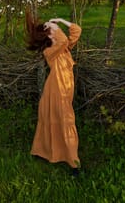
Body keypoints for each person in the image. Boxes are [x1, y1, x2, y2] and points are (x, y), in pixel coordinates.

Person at [25, 10, 82, 174]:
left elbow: (77, 31)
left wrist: (60, 20)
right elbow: (63, 39)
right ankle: (73, 162)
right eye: (52, 27)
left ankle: (48, 152)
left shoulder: (63, 48)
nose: (56, 27)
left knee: (58, 119)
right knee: (65, 120)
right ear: (50, 36)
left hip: (63, 88)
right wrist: (54, 26)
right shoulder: (50, 51)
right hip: (57, 89)